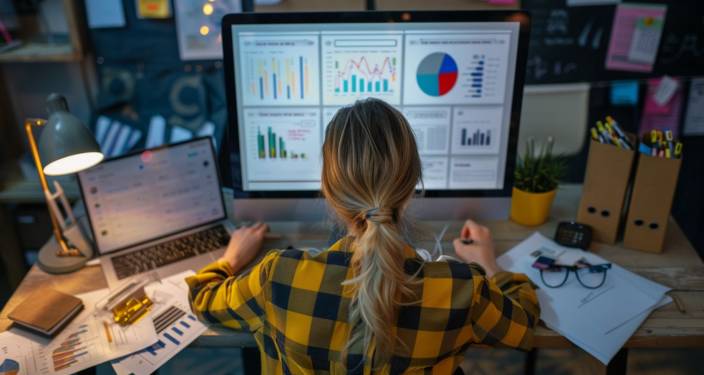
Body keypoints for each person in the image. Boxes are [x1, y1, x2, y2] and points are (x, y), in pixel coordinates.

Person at [186, 98, 540, 374]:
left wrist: (231, 259)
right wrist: (489, 264)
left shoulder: (277, 276)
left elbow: (203, 301)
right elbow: (523, 325)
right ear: (413, 183)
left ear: (327, 187)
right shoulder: (463, 289)